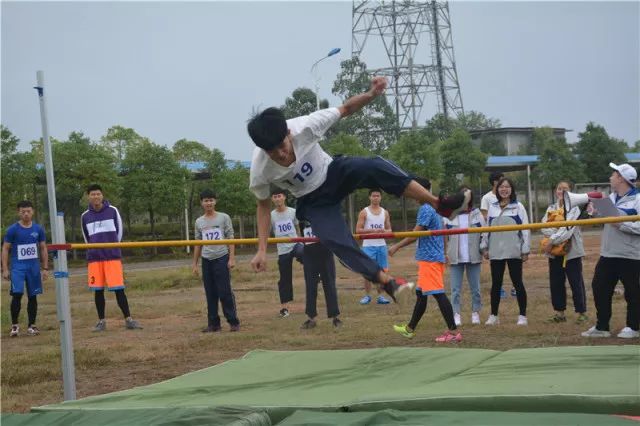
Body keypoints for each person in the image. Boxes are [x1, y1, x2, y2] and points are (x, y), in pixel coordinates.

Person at [247, 76, 471, 301]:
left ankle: (439, 205)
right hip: (312, 201)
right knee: (335, 239)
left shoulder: (306, 126)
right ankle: (387, 282)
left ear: (288, 133)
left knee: (373, 165)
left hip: (333, 172)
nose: (281, 155)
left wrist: (371, 94)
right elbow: (263, 206)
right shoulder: (260, 168)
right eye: (272, 152)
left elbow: (346, 108)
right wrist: (263, 249)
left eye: (282, 147)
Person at [389, 178, 462, 343]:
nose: (412, 194)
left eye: (414, 190)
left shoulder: (427, 208)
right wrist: (443, 253)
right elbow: (442, 232)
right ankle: (409, 329)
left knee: (438, 294)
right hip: (431, 258)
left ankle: (453, 331)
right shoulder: (436, 207)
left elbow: (415, 234)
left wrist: (396, 246)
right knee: (421, 294)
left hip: (430, 260)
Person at [582, 163, 639, 339]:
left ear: (621, 178)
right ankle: (602, 326)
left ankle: (633, 327)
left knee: (633, 291)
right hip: (608, 253)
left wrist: (621, 224)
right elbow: (606, 219)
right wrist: (594, 212)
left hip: (630, 255)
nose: (610, 177)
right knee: (599, 287)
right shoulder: (610, 198)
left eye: (613, 174)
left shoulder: (638, 199)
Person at [81, 184, 142, 331]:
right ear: (88, 197)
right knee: (98, 290)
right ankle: (101, 321)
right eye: (93, 194)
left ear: (102, 195)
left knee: (119, 289)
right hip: (95, 259)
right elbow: (86, 237)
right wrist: (94, 250)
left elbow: (119, 232)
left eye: (98, 194)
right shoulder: (85, 216)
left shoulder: (112, 211)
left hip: (112, 257)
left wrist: (113, 248)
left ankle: (128, 319)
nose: (96, 197)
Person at [481, 177, 530, 326]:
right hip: (496, 252)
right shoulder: (492, 208)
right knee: (496, 283)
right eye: (501, 187)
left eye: (507, 187)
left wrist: (525, 249)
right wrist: (484, 247)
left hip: (514, 251)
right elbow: (486, 230)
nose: (504, 189)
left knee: (517, 283)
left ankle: (522, 316)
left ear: (512, 189)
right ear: (497, 189)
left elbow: (525, 230)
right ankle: (494, 316)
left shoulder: (519, 207)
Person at [192, 189, 240, 333]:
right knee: (210, 293)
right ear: (201, 203)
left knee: (224, 291)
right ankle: (213, 324)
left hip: (221, 258)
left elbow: (231, 237)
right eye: (206, 200)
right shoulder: (199, 221)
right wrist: (195, 263)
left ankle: (233, 321)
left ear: (215, 201)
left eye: (211, 200)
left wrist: (231, 258)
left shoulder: (224, 218)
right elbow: (198, 243)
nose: (209, 203)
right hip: (207, 260)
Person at [541, 181, 588, 324]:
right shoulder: (550, 208)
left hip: (571, 252)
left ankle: (581, 313)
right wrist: (555, 236)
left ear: (570, 192)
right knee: (556, 282)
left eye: (565, 189)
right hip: (555, 252)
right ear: (556, 191)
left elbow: (567, 231)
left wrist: (551, 240)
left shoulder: (574, 209)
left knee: (576, 282)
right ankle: (559, 313)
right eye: (559, 188)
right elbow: (543, 226)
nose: (562, 191)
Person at [2, 200, 48, 337]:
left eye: (28, 211)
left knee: (33, 296)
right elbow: (5, 249)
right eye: (23, 212)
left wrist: (45, 268)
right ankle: (15, 326)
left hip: (33, 268)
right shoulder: (12, 230)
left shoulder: (38, 229)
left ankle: (32, 326)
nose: (26, 214)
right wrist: (5, 268)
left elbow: (43, 248)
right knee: (17, 295)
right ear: (19, 213)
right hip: (18, 268)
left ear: (32, 212)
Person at [443, 186, 485, 326]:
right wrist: (445, 253)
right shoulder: (450, 215)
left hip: (473, 256)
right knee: (455, 289)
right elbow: (444, 236)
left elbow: (484, 233)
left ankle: (475, 313)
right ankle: (456, 314)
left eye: (468, 196)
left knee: (476, 288)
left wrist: (483, 249)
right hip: (455, 257)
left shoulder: (476, 214)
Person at [299, 221, 342, 329]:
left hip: (325, 252)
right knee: (310, 286)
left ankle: (335, 317)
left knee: (329, 285)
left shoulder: (324, 213)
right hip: (309, 254)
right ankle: (311, 318)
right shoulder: (303, 215)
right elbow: (301, 233)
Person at [270, 189, 304, 318]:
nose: (277, 199)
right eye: (275, 196)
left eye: (279, 196)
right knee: (284, 279)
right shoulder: (271, 215)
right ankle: (285, 308)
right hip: (282, 250)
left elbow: (297, 228)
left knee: (305, 253)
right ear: (272, 199)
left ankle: (315, 273)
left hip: (295, 244)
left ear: (284, 197)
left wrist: (301, 241)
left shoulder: (293, 212)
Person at [356, 189, 392, 305]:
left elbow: (389, 230)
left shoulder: (385, 212)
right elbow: (358, 230)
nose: (376, 198)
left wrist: (384, 231)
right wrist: (373, 231)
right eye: (373, 196)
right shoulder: (364, 212)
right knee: (367, 272)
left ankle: (380, 296)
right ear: (369, 197)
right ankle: (367, 296)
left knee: (383, 272)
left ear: (381, 197)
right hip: (368, 246)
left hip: (381, 246)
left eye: (378, 196)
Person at [481, 171, 511, 298]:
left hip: (509, 236)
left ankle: (515, 287)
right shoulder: (487, 198)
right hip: (495, 236)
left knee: (512, 262)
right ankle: (499, 289)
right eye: (501, 181)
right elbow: (484, 217)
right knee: (497, 266)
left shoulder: (509, 197)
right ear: (495, 182)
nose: (504, 186)